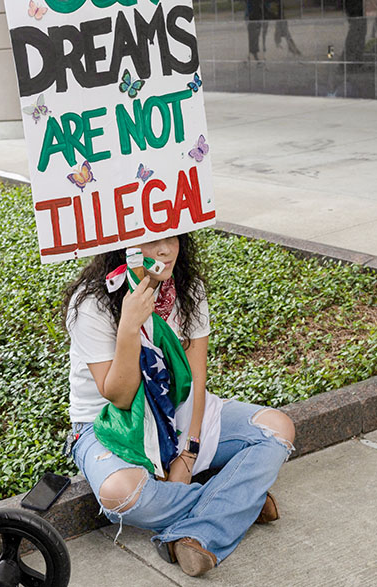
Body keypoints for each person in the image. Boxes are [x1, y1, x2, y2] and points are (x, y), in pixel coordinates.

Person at [62, 235, 295, 577]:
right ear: (120, 245)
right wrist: (128, 327)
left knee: (276, 429)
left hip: (177, 411)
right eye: (148, 242)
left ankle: (198, 529)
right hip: (109, 424)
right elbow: (120, 397)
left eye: (171, 237)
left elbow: (197, 380)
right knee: (121, 496)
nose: (164, 250)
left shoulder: (188, 289)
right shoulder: (93, 303)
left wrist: (188, 455)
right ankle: (241, 501)